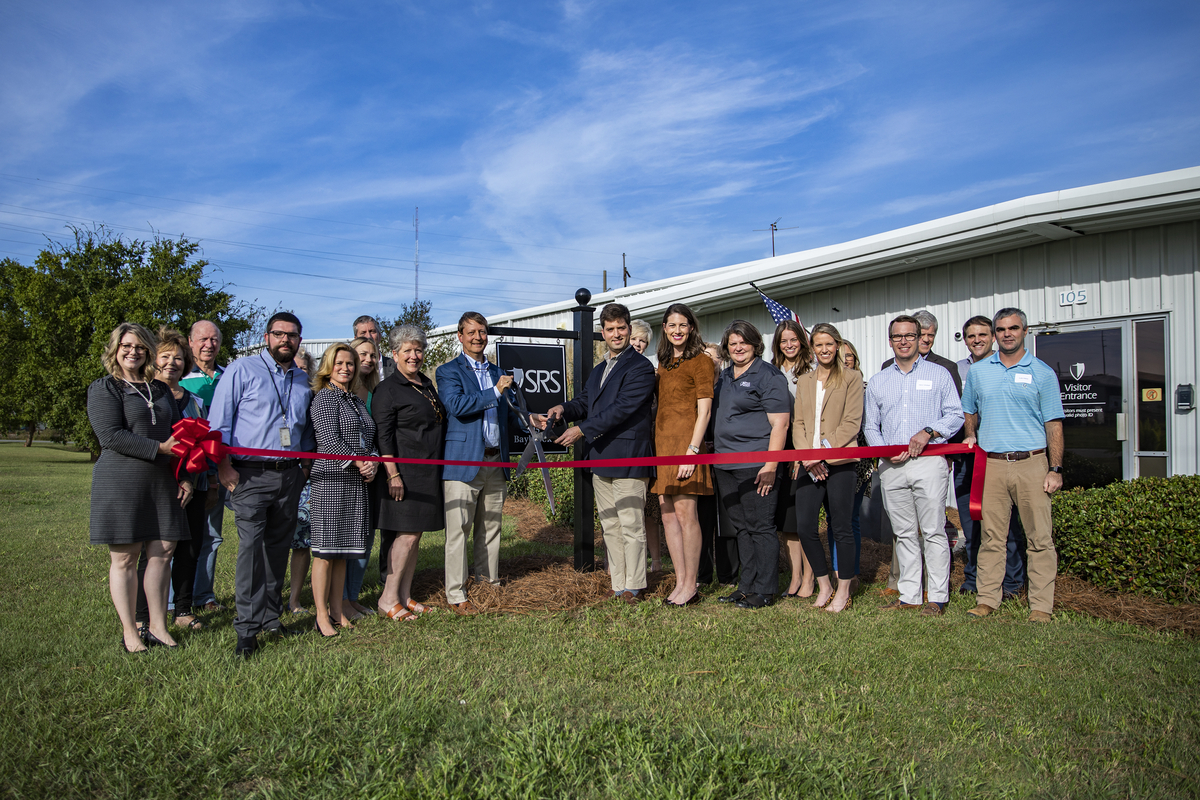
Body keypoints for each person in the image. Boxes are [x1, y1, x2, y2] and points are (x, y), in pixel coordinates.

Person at [209, 312, 315, 658]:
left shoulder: (302, 380)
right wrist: (224, 468)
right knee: (251, 552)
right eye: (279, 334)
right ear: (267, 336)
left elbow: (303, 431)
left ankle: (270, 617)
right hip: (249, 475)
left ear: (300, 340)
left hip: (289, 476)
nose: (286, 340)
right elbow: (219, 424)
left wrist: (302, 470)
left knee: (276, 550)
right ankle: (246, 629)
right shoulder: (242, 369)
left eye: (293, 335)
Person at [539, 303, 657, 605]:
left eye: (621, 328)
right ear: (602, 333)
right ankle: (618, 584)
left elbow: (621, 410)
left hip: (630, 456)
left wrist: (581, 430)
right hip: (600, 455)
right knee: (610, 524)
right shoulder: (600, 369)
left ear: (629, 329)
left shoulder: (641, 367)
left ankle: (635, 585)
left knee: (631, 523)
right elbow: (585, 401)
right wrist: (563, 408)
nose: (616, 334)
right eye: (610, 329)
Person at [88, 323, 192, 653]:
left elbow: (182, 434)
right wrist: (159, 449)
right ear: (115, 350)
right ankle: (131, 632)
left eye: (140, 347)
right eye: (126, 346)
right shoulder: (105, 388)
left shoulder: (159, 390)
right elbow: (111, 436)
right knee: (125, 559)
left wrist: (186, 474)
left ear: (148, 352)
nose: (133, 352)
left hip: (163, 480)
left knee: (163, 552)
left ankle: (159, 627)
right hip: (121, 481)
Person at [962, 308, 1064, 622]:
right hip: (991, 465)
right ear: (995, 333)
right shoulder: (978, 372)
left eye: (1013, 328)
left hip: (1032, 464)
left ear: (1025, 331)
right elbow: (969, 411)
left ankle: (1040, 606)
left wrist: (1055, 469)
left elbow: (1054, 425)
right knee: (991, 538)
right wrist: (970, 433)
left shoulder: (1042, 372)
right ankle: (987, 600)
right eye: (1002, 329)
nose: (1007, 334)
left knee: (1039, 539)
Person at [864, 315, 964, 616]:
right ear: (890, 340)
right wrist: (883, 452)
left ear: (920, 337)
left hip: (928, 462)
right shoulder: (879, 380)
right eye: (897, 336)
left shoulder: (939, 374)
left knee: (933, 530)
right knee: (904, 532)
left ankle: (937, 597)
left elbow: (955, 415)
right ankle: (909, 595)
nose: (904, 341)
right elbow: (870, 426)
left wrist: (929, 432)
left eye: (909, 335)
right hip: (892, 466)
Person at [435, 312, 519, 614]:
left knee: (491, 527)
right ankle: (456, 594)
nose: (477, 337)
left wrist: (530, 419)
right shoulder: (448, 372)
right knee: (458, 531)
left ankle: (489, 584)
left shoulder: (498, 371)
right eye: (471, 332)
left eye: (482, 332)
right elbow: (456, 406)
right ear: (460, 336)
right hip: (463, 463)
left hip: (495, 462)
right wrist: (496, 390)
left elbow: (510, 415)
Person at [712, 321, 792, 609]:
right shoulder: (723, 377)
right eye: (733, 343)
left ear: (755, 344)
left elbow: (780, 424)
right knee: (741, 527)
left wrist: (771, 465)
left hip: (757, 463)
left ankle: (766, 589)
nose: (738, 347)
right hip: (725, 463)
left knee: (760, 527)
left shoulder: (768, 376)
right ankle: (746, 586)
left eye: (743, 342)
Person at [133, 327, 208, 632]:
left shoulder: (194, 401)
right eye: (166, 355)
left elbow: (202, 443)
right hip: (156, 482)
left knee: (190, 548)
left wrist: (193, 479)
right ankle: (143, 614)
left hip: (192, 484)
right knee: (151, 550)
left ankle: (184, 609)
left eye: (179, 358)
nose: (172, 362)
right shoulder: (145, 396)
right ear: (153, 358)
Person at [373, 325, 447, 621]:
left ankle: (404, 595)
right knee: (404, 537)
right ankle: (387, 597)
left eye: (418, 349)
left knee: (415, 536)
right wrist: (392, 475)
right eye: (407, 351)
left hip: (428, 472)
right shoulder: (387, 389)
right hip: (403, 474)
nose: (414, 356)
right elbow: (383, 436)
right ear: (394, 354)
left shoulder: (425, 384)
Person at [307, 343, 379, 637]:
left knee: (343, 552)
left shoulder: (357, 401)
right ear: (328, 365)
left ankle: (338, 610)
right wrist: (359, 461)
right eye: (340, 363)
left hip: (356, 482)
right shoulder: (324, 399)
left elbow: (370, 439)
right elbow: (328, 441)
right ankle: (321, 615)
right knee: (325, 553)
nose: (346, 368)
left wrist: (372, 461)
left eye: (350, 363)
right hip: (332, 481)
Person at [645, 304, 714, 606]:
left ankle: (691, 585)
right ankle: (679, 580)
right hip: (663, 446)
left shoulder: (701, 362)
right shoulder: (662, 362)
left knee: (687, 516)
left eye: (683, 325)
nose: (677, 330)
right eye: (672, 325)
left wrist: (692, 451)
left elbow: (705, 410)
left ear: (691, 328)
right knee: (668, 515)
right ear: (664, 328)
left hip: (687, 447)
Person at [791, 323, 863, 613]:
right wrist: (807, 456)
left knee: (841, 527)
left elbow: (851, 423)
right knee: (806, 526)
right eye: (818, 345)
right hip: (808, 463)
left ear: (838, 345)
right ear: (812, 348)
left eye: (829, 344)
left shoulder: (852, 378)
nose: (824, 350)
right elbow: (798, 424)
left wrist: (820, 452)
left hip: (841, 462)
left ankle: (844, 589)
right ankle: (825, 585)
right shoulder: (804, 381)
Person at [955, 315, 1027, 599]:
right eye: (971, 336)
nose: (977, 340)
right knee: (971, 521)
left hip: (999, 456)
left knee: (1004, 524)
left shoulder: (1005, 367)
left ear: (993, 337)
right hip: (967, 456)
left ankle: (1011, 582)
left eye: (983, 335)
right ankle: (974, 578)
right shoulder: (956, 369)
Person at [180, 319, 227, 614]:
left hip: (220, 465)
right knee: (181, 534)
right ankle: (175, 597)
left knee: (212, 534)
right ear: (190, 342)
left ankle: (203, 594)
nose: (208, 344)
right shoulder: (181, 377)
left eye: (214, 339)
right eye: (202, 339)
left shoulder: (228, 376)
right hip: (186, 467)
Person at [770, 319, 814, 599]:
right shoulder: (771, 372)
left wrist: (802, 454)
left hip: (803, 451)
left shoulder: (811, 372)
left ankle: (810, 577)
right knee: (785, 522)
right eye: (784, 341)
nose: (789, 345)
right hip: (777, 450)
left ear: (802, 341)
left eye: (793, 340)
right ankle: (795, 576)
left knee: (804, 521)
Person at [342, 335, 383, 618]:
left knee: (365, 537)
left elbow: (379, 434)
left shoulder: (376, 392)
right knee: (343, 539)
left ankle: (352, 596)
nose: (368, 360)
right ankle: (339, 598)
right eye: (362, 354)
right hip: (342, 474)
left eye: (373, 355)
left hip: (370, 475)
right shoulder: (337, 390)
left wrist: (376, 461)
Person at [697, 342, 739, 586]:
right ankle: (702, 574)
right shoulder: (694, 385)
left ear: (721, 361)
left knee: (727, 520)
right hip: (700, 460)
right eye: (704, 357)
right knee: (702, 520)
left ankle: (728, 575)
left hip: (725, 459)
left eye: (712, 357)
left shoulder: (727, 385)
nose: (708, 361)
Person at [629, 319, 664, 573]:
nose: (639, 345)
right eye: (635, 339)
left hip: (648, 447)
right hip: (622, 451)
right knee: (624, 513)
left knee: (650, 513)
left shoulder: (651, 373)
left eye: (643, 342)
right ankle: (617, 561)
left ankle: (657, 561)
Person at [287, 349, 317, 616]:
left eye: (303, 368)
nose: (297, 371)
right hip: (273, 473)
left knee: (302, 542)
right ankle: (268, 596)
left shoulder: (313, 397)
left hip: (305, 476)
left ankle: (294, 599)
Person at [840, 339, 871, 581]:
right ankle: (838, 570)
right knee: (835, 519)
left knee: (851, 518)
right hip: (834, 459)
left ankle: (853, 573)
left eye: (849, 355)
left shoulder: (867, 387)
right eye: (841, 356)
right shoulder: (830, 387)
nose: (846, 359)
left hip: (859, 463)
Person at [353, 315, 396, 380]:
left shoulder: (396, 367)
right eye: (363, 333)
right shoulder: (351, 368)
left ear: (379, 336)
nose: (368, 336)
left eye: (372, 331)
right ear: (356, 339)